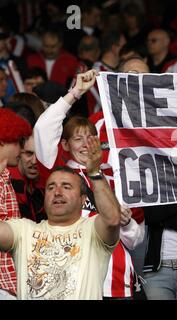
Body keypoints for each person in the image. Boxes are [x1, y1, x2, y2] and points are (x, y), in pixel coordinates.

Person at [33, 70, 145, 299]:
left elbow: (135, 239)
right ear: (64, 144)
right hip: (70, 283)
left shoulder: (114, 181)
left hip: (114, 283)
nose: (85, 144)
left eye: (90, 137)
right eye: (77, 138)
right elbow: (43, 129)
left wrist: (126, 222)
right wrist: (75, 93)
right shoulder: (58, 174)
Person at [0, 138, 122, 300]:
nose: (57, 192)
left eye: (66, 187)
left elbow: (112, 219)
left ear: (83, 199)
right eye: (51, 187)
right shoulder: (24, 230)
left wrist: (94, 173)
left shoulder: (92, 229)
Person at [0, 108, 32, 300]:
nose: (22, 149)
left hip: (11, 282)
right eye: (18, 141)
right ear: (2, 140)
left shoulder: (5, 175)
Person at [9, 135, 46, 222]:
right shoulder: (7, 181)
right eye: (29, 154)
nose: (34, 161)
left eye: (40, 155)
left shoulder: (43, 185)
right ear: (18, 153)